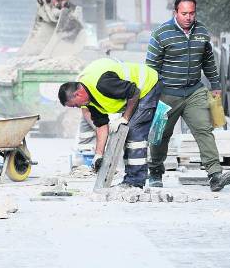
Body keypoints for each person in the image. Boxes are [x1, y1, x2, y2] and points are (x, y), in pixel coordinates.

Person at [145, 0, 230, 192]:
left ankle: (215, 175)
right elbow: (151, 67)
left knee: (204, 129)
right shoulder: (161, 33)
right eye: (184, 13)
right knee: (160, 134)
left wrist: (215, 84)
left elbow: (208, 61)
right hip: (167, 93)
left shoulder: (202, 31)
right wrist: (151, 95)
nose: (188, 17)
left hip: (194, 91)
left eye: (192, 13)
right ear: (175, 12)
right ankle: (155, 172)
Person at [58, 58, 160, 188]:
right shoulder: (89, 101)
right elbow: (101, 126)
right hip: (135, 93)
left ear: (77, 94)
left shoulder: (102, 84)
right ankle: (131, 179)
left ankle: (135, 182)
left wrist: (125, 118)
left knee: (134, 134)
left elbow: (134, 92)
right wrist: (98, 154)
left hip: (148, 85)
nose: (77, 108)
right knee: (127, 132)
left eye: (74, 105)